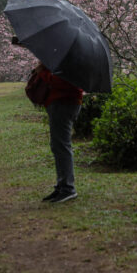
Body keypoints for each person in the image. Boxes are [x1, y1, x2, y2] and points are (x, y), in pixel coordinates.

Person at [29, 61, 83, 204]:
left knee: (61, 146)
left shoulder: (70, 60)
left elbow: (63, 82)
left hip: (63, 103)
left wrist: (43, 73)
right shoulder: (62, 57)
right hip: (59, 103)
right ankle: (62, 185)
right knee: (57, 145)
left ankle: (67, 188)